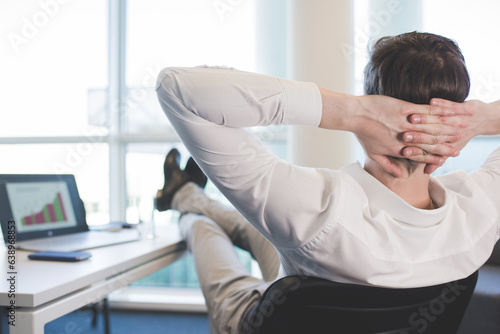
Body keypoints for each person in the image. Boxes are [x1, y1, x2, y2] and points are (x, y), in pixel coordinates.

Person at [155, 32, 500, 333]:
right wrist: (480, 119)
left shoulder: (317, 209)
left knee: (203, 230)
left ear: (374, 102)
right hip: (301, 281)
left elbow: (176, 88)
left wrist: (354, 112)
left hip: (255, 317)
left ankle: (186, 204)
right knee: (255, 230)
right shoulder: (481, 210)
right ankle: (185, 193)